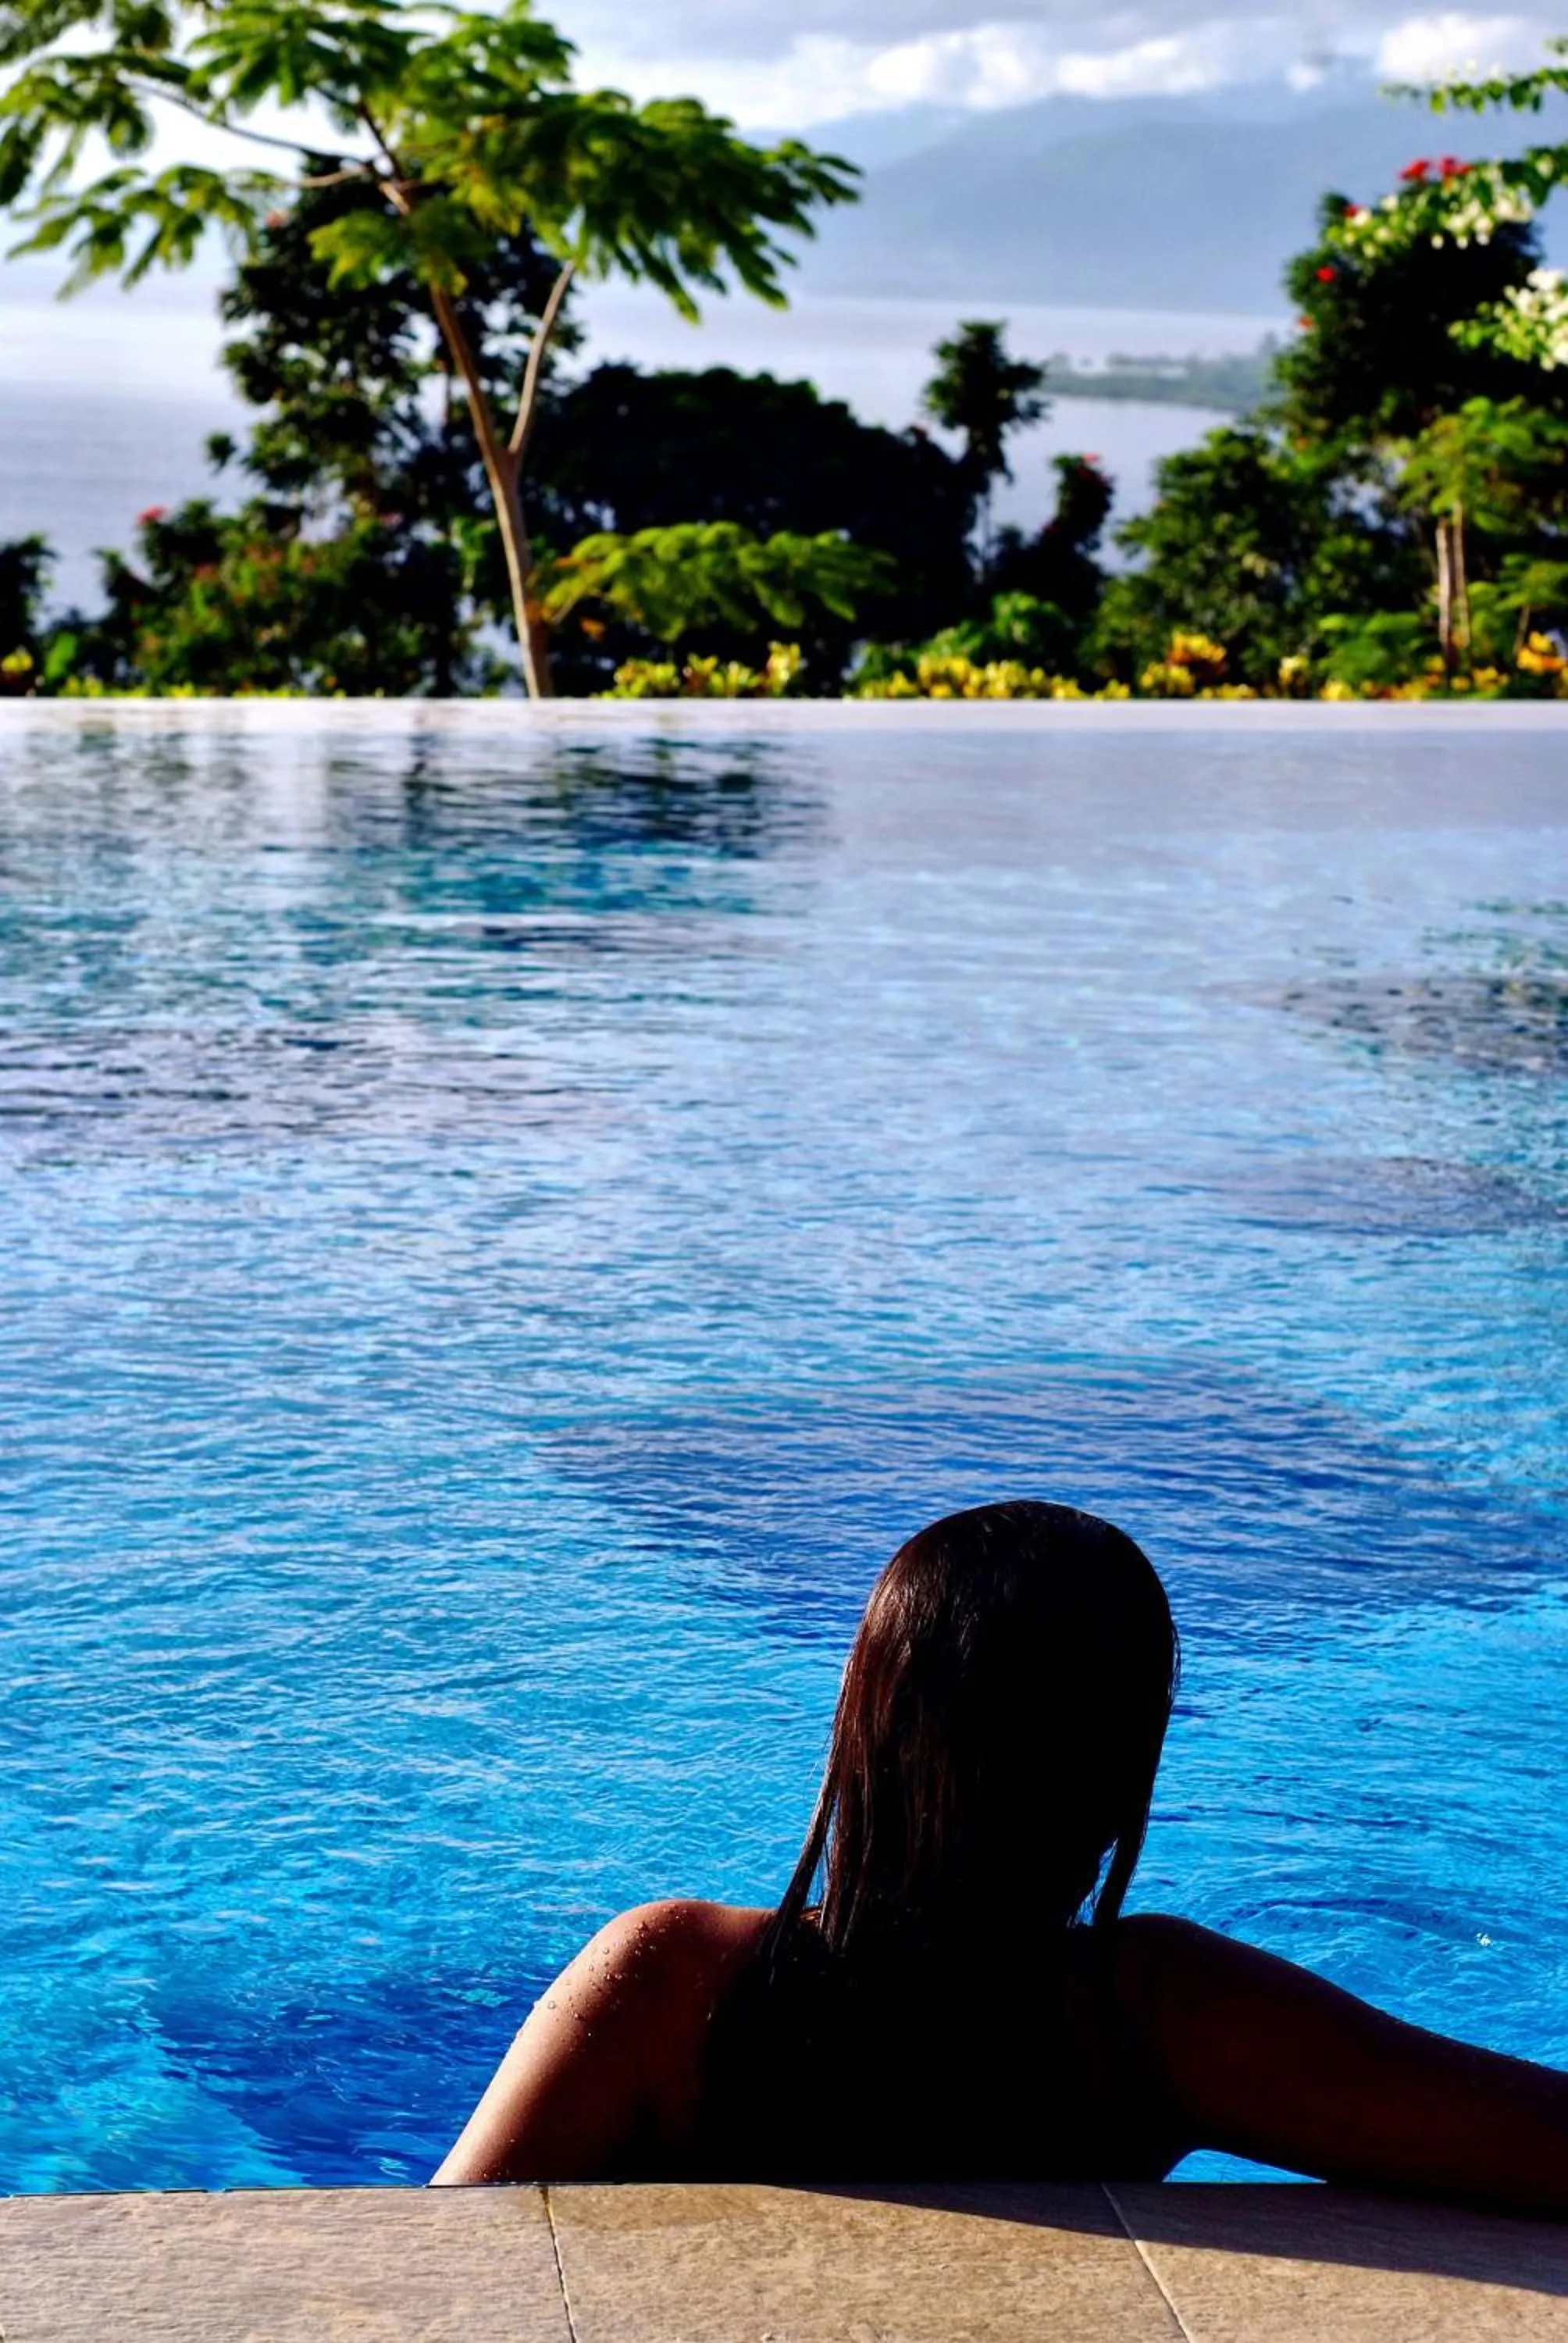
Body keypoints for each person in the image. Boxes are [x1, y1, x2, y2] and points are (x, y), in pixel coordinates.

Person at [433, 1499, 1568, 2206]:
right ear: (1119, 1767)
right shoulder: (1149, 2015)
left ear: (862, 1727)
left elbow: (433, 2258)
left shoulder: (673, 1981)